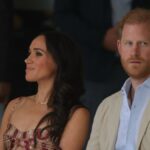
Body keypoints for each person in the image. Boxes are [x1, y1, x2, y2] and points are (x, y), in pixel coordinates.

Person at [54, 0, 150, 120]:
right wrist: (100, 38)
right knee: (95, 122)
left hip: (141, 68)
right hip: (95, 67)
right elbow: (63, 16)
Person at [0, 31, 90, 149]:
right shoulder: (15, 104)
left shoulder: (76, 114)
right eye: (29, 53)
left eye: (38, 53)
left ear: (59, 60)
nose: (27, 60)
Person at [86, 8, 150, 150]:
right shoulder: (105, 107)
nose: (134, 52)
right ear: (119, 48)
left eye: (143, 43)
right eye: (128, 43)